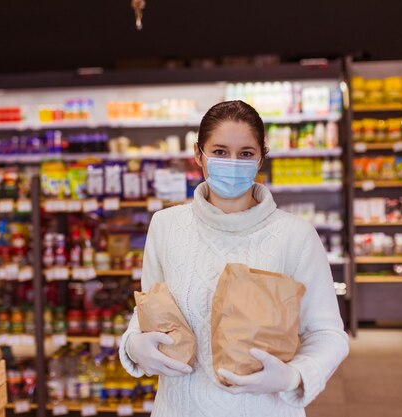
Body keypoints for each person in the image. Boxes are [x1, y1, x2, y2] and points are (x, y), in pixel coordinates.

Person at [118, 100, 349, 417]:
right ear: (198, 155)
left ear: (260, 158)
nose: (233, 162)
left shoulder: (295, 236)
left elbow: (328, 334)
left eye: (245, 154)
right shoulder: (166, 227)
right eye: (220, 151)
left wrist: (294, 375)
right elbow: (150, 311)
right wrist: (133, 344)